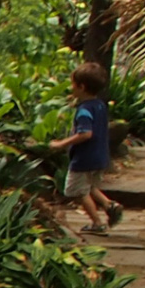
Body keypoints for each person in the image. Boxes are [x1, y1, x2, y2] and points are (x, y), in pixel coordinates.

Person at [51, 61, 121, 232]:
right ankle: (110, 205)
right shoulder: (100, 106)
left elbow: (85, 134)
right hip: (100, 156)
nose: (71, 87)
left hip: (84, 158)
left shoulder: (84, 111)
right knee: (90, 187)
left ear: (81, 87)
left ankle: (97, 223)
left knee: (77, 191)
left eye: (73, 84)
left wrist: (62, 143)